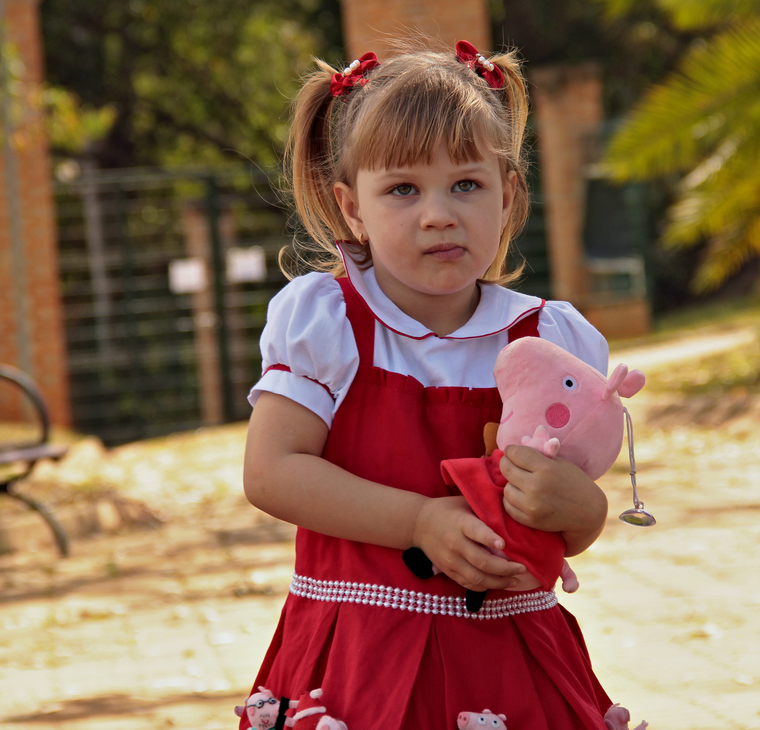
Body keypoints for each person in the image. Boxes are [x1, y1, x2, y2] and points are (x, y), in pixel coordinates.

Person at [242, 41, 622, 730]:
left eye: (466, 185)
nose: (438, 214)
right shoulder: (328, 323)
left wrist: (584, 511)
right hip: (363, 665)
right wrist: (419, 521)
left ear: (507, 195)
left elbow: (566, 528)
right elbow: (271, 473)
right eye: (403, 189)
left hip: (516, 667)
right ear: (351, 208)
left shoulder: (548, 340)